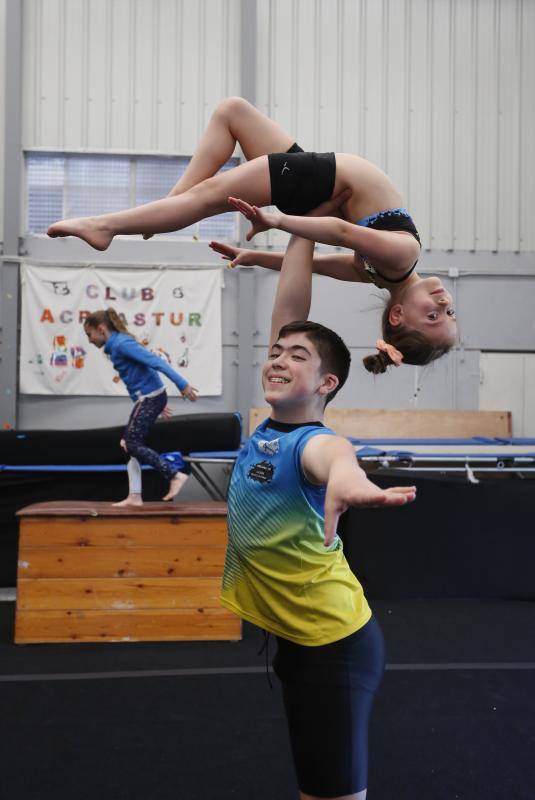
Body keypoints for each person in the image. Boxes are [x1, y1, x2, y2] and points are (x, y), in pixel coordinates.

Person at [220, 198, 417, 799]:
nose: (278, 359)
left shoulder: (312, 442)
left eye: (297, 358)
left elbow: (338, 462)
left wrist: (352, 485)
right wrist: (299, 216)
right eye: (275, 353)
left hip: (335, 646)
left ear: (327, 384)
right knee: (316, 785)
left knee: (335, 793)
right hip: (303, 641)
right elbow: (291, 305)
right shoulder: (270, 425)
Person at [48, 97, 456, 370]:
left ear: (398, 315)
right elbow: (326, 246)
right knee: (233, 113)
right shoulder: (395, 263)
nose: (444, 301)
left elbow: (333, 234)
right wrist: (266, 243)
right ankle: (166, 209)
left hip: (322, 183)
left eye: (434, 316)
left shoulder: (394, 264)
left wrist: (275, 226)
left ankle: (106, 227)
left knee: (210, 194)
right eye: (449, 312)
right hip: (320, 184)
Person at [83, 308, 197, 506]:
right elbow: (140, 373)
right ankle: (135, 496)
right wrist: (158, 403)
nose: (89, 340)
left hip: (150, 397)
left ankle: (174, 475)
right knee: (128, 444)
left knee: (132, 443)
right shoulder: (115, 346)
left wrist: (182, 384)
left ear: (101, 329)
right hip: (149, 398)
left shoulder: (121, 344)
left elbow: (154, 362)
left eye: (89, 334)